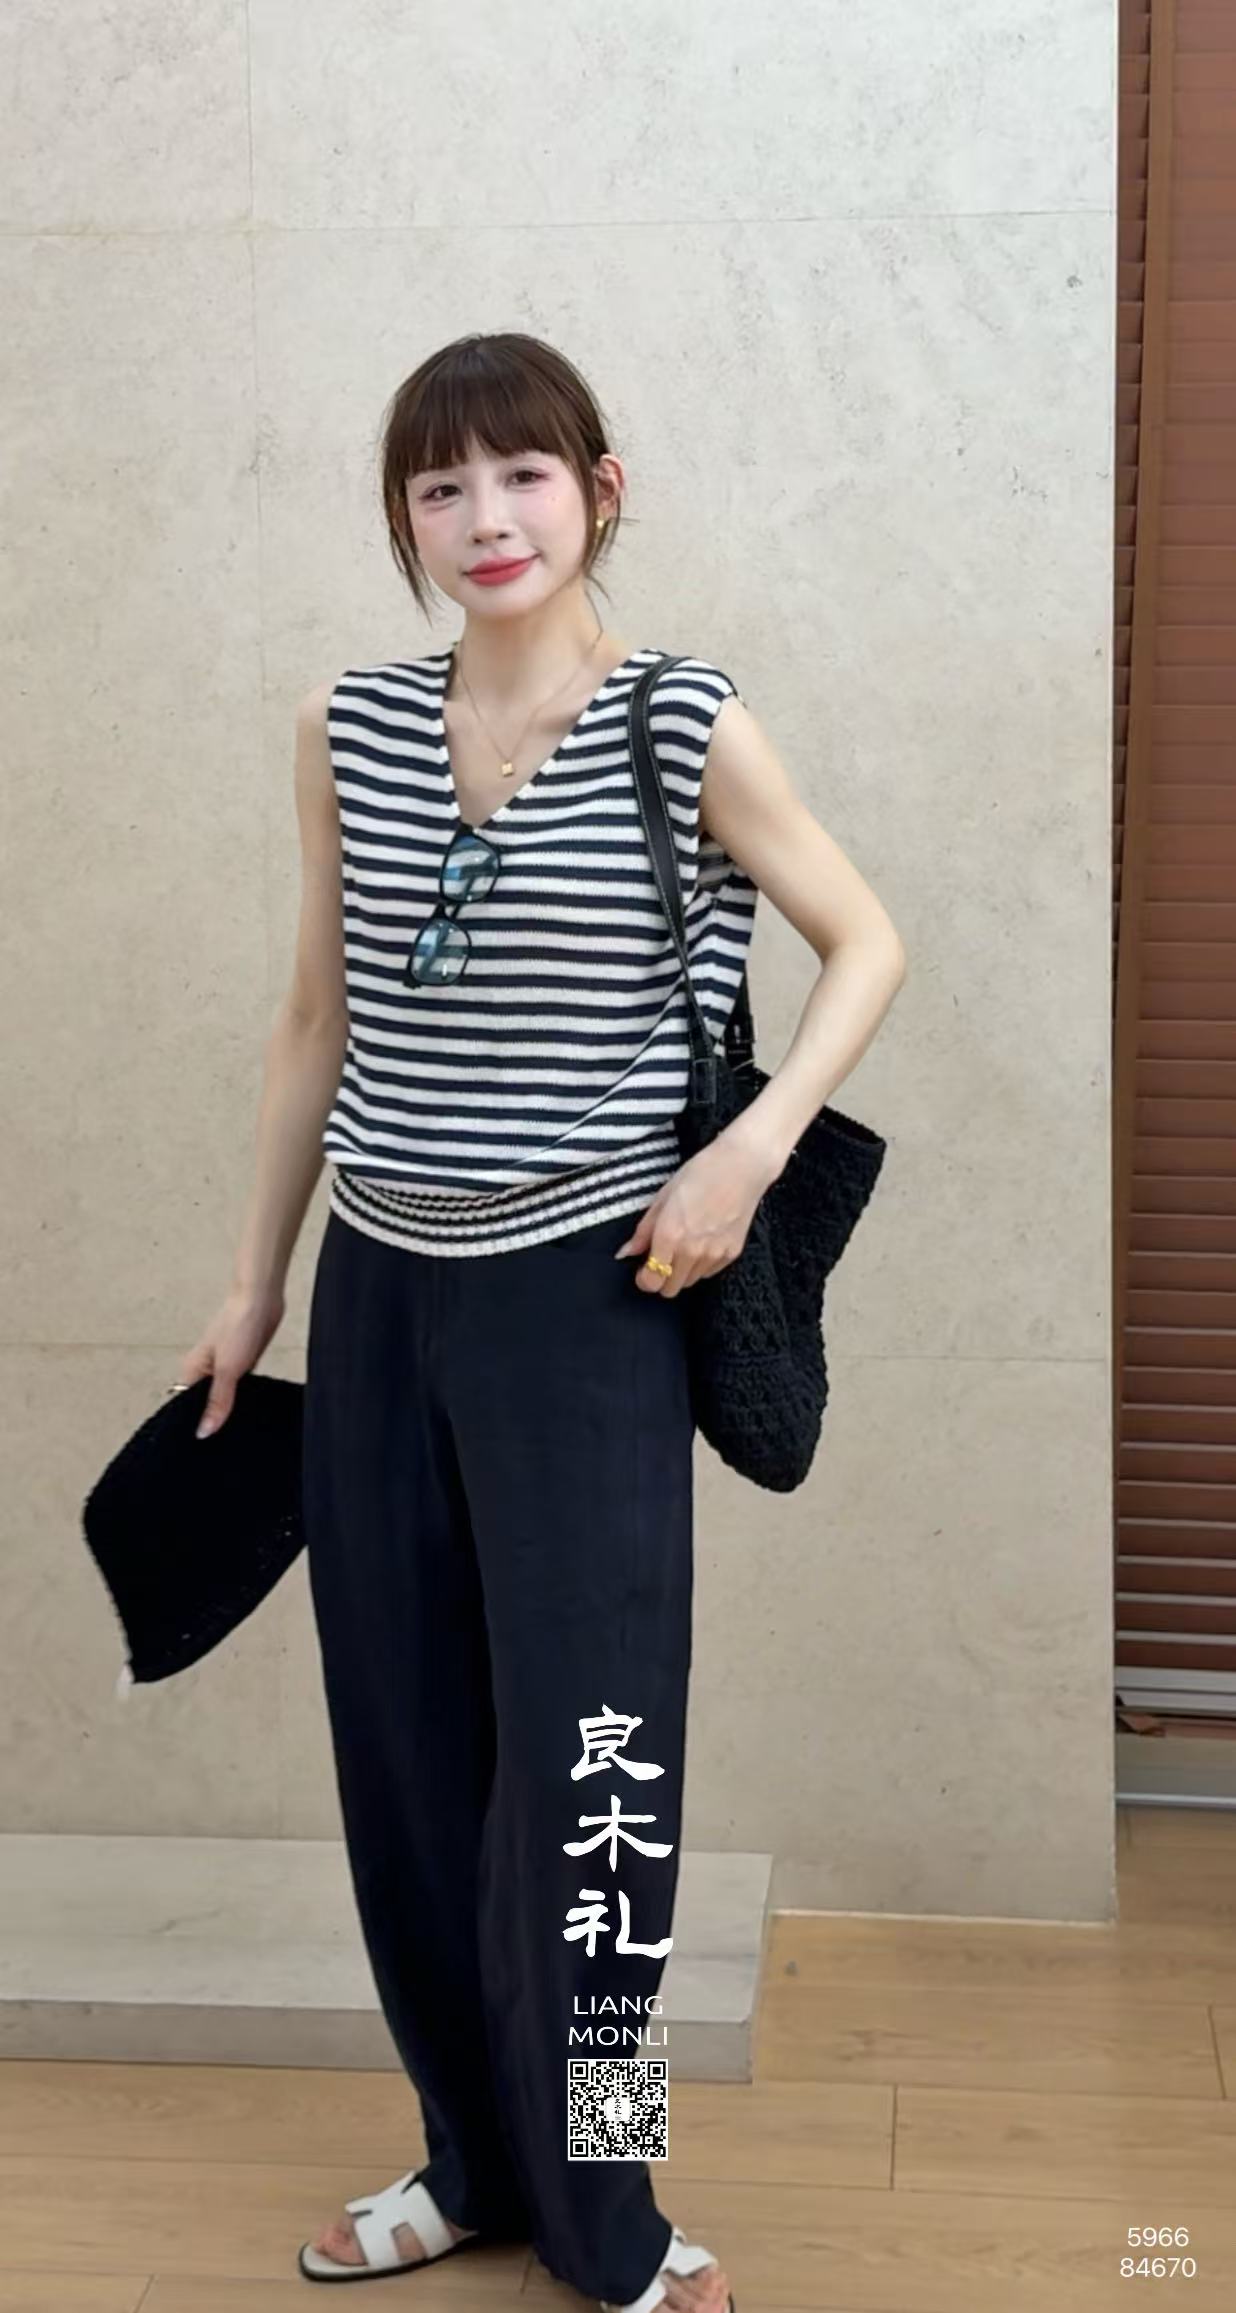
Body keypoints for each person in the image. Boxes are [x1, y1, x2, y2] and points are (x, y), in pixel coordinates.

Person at [178, 331, 906, 2311]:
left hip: (587, 1306)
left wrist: (749, 1146)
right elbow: (316, 1015)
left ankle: (615, 2212)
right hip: (379, 1292)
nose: (483, 517)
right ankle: (467, 2157)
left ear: (600, 488)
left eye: (520, 474)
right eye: (440, 486)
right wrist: (256, 1280)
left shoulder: (680, 719)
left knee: (595, 1782)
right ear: (403, 518)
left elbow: (866, 939)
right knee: (408, 1763)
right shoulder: (349, 722)